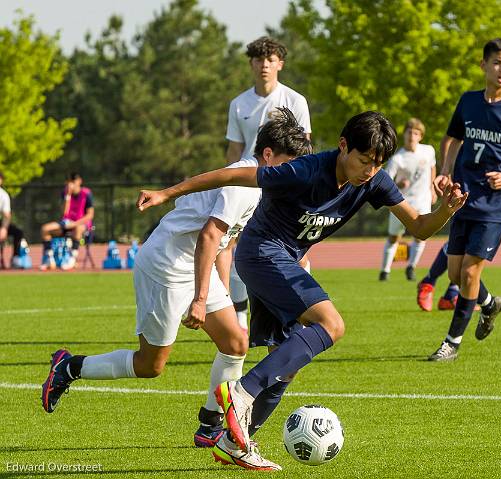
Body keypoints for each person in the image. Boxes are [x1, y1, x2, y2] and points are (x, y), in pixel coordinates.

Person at [136, 111, 468, 468]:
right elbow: (233, 174)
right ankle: (240, 392)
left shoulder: (374, 181)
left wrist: (445, 210)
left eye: (377, 163)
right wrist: (166, 193)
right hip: (260, 253)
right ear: (343, 146)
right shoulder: (306, 169)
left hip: (285, 263)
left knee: (288, 361)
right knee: (332, 325)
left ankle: (236, 442)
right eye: (364, 160)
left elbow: (419, 227)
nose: (370, 170)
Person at [41, 110, 312, 471]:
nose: (292, 174)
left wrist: (221, 296)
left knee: (235, 343)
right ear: (267, 156)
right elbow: (209, 236)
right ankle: (69, 367)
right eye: (288, 165)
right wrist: (200, 299)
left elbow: (224, 245)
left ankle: (211, 425)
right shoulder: (243, 184)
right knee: (150, 365)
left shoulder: (258, 182)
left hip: (194, 264)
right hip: (166, 266)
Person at [427, 38, 501, 361]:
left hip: (496, 204)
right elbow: (451, 138)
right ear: (484, 66)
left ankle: (451, 343)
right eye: (497, 63)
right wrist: (446, 171)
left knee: (468, 275)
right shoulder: (469, 102)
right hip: (463, 197)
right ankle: (490, 304)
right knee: (453, 274)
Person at [417, 73, 501, 312]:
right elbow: (451, 139)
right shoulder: (476, 108)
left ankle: (453, 299)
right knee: (457, 261)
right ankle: (444, 286)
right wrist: (447, 169)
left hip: (491, 199)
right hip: (466, 189)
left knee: (468, 268)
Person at [223, 36, 312, 333]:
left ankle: (302, 311)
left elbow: (304, 147)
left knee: (297, 252)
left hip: (285, 189)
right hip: (250, 186)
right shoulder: (238, 104)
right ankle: (239, 320)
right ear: (251, 63)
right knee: (237, 247)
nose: (264, 65)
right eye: (259, 59)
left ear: (280, 64)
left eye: (271, 59)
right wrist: (228, 183)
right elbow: (234, 151)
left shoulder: (295, 101)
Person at [378, 118, 436, 281]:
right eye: (409, 132)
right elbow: (385, 181)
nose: (412, 135)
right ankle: (385, 271)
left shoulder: (428, 151)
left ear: (421, 136)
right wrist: (398, 183)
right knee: (394, 237)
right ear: (404, 135)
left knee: (421, 236)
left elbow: (432, 167)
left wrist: (432, 188)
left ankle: (411, 267)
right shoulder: (398, 159)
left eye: (416, 133)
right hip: (401, 203)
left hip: (422, 202)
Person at [39, 173, 94, 271]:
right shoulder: (65, 193)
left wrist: (75, 223)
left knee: (77, 228)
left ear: (79, 181)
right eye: (69, 182)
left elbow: (90, 215)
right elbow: (64, 213)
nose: (71, 184)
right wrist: (68, 196)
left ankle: (72, 259)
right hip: (67, 223)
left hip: (81, 225)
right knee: (45, 229)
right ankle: (49, 260)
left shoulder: (86, 194)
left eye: (73, 181)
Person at [0, 172, 26, 268]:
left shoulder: (3, 195)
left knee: (18, 232)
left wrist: (4, 228)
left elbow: (6, 215)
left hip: (1, 223)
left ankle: (16, 258)